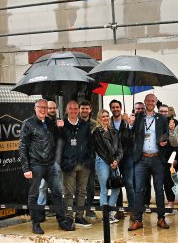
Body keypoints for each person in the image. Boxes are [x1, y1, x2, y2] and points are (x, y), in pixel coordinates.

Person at [19, 99, 72, 234]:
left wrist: (61, 127)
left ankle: (62, 221)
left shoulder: (50, 122)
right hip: (36, 164)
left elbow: (60, 139)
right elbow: (22, 146)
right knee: (34, 194)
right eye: (40, 107)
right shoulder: (28, 124)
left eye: (45, 107)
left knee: (57, 192)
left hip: (51, 164)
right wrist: (26, 168)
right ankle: (36, 223)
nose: (43, 110)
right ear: (35, 108)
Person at [128, 93, 170, 231]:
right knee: (139, 190)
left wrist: (165, 140)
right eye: (148, 100)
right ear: (145, 102)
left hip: (157, 158)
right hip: (141, 158)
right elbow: (131, 135)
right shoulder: (139, 117)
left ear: (156, 102)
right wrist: (130, 124)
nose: (150, 102)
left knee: (159, 189)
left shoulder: (162, 118)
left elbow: (166, 135)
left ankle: (161, 218)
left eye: (153, 100)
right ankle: (138, 220)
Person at [60, 100, 94, 228]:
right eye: (71, 109)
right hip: (68, 164)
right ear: (66, 110)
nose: (74, 111)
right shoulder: (62, 125)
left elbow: (90, 144)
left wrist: (90, 159)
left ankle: (79, 217)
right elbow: (59, 145)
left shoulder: (85, 125)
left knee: (82, 192)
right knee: (68, 193)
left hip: (84, 164)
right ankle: (69, 217)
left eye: (75, 109)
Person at [92, 109, 123, 224]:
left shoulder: (114, 131)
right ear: (99, 118)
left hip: (114, 162)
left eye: (107, 116)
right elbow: (102, 149)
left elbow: (120, 148)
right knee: (104, 189)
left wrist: (117, 160)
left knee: (116, 188)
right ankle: (106, 216)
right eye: (103, 116)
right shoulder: (97, 132)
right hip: (102, 162)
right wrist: (111, 161)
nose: (105, 118)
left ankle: (110, 212)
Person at [109, 100, 134, 220]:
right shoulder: (108, 123)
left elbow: (131, 139)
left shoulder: (126, 122)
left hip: (127, 157)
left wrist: (128, 125)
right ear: (111, 109)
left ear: (121, 108)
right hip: (114, 159)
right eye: (113, 107)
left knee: (129, 183)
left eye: (117, 107)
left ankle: (132, 210)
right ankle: (119, 210)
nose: (115, 109)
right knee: (117, 184)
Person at [158, 104, 178, 214]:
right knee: (160, 182)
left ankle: (170, 205)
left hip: (171, 158)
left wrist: (176, 158)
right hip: (158, 157)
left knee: (169, 182)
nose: (163, 113)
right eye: (161, 111)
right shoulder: (156, 123)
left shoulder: (175, 123)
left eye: (165, 111)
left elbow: (177, 144)